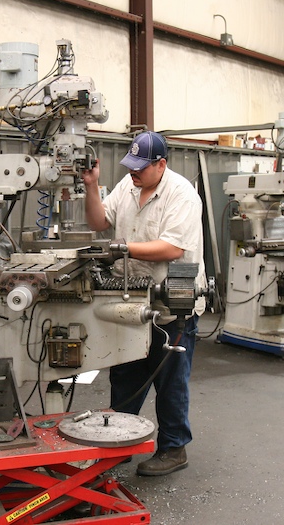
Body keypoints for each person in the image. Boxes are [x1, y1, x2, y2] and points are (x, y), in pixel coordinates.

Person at [81, 130, 207, 476]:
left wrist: (121, 249)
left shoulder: (181, 194)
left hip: (171, 305)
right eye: (131, 166)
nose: (133, 172)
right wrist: (91, 186)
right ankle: (120, 443)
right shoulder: (129, 185)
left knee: (169, 381)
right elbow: (98, 222)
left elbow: (172, 248)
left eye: (140, 167)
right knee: (125, 375)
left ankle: (174, 448)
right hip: (130, 299)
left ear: (161, 164)